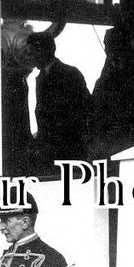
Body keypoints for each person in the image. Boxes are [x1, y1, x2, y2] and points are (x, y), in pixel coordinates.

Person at [22, 31, 92, 176]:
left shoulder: (69, 74)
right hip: (52, 148)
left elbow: (84, 110)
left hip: (68, 148)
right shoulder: (42, 77)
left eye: (32, 52)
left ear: (43, 51)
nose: (30, 57)